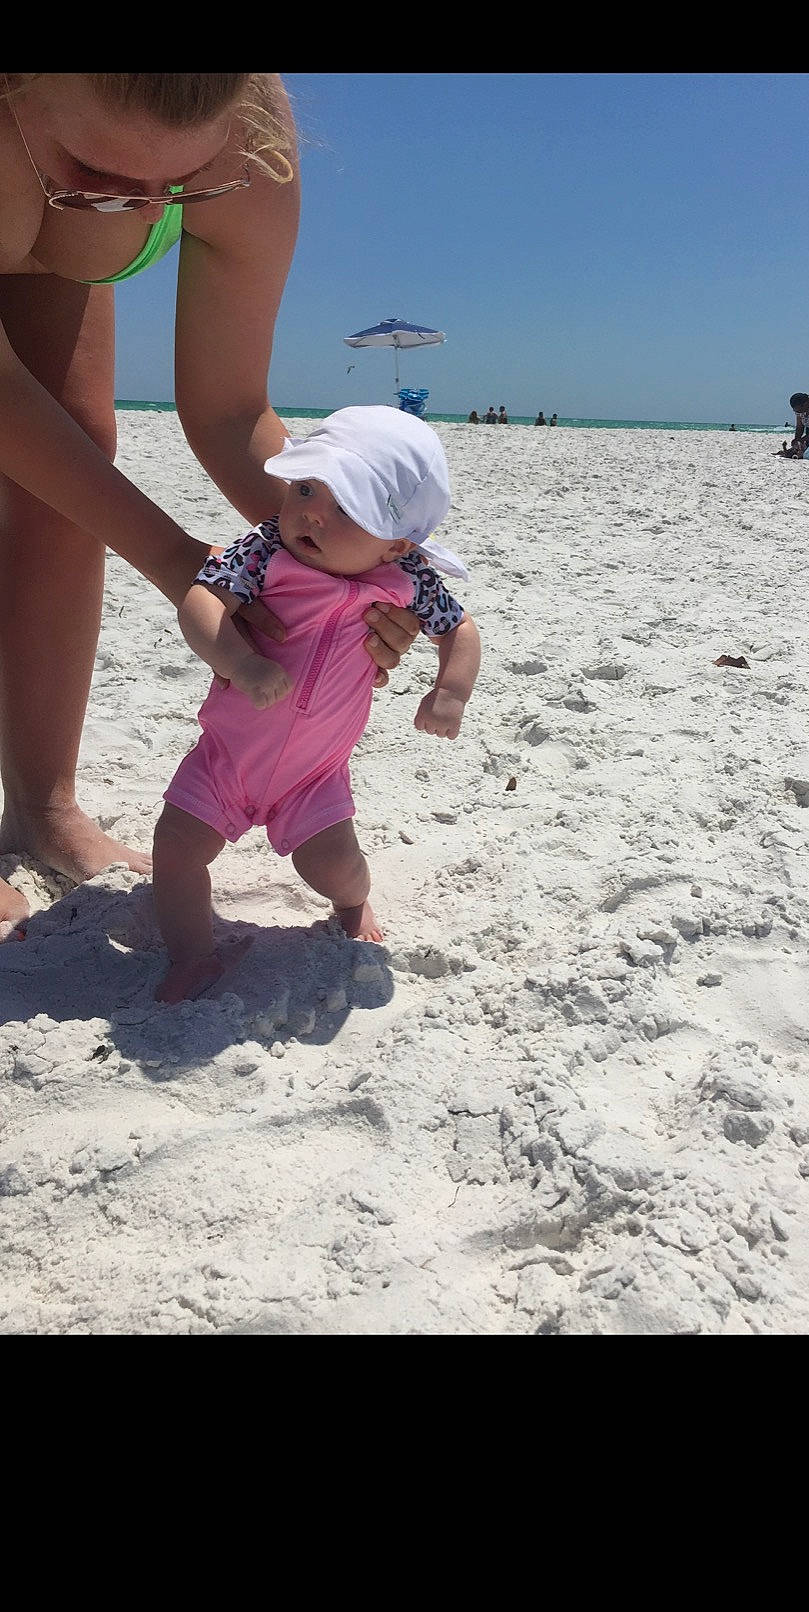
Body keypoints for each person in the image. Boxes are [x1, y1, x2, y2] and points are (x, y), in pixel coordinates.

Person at [0, 73, 419, 936]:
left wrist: (367, 560)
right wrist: (188, 565)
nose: (143, 214)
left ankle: (42, 805)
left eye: (180, 188)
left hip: (36, 224)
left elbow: (230, 413)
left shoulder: (249, 144)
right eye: (96, 173)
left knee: (76, 452)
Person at [152, 406, 482, 1003]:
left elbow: (461, 631)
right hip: (226, 755)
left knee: (334, 868)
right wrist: (240, 662)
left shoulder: (410, 581)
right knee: (174, 850)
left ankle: (354, 905)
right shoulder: (264, 551)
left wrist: (450, 692)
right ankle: (192, 956)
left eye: (346, 506)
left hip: (314, 775)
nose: (311, 512)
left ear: (397, 541)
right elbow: (201, 602)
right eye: (305, 487)